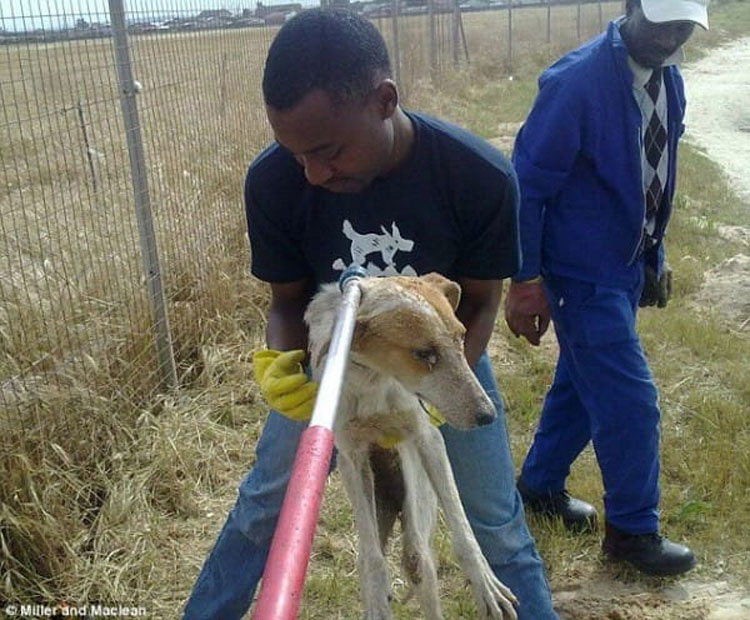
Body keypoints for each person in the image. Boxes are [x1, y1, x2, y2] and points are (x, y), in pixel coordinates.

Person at [183, 8, 558, 619]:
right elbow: (285, 300)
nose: (312, 172)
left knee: (494, 519)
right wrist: (285, 370)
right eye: (295, 153)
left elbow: (482, 299)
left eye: (327, 151)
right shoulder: (274, 182)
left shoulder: (478, 178)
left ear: (384, 100)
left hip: (437, 356)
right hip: (329, 366)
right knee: (263, 508)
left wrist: (436, 379)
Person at [505, 0, 708, 577]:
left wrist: (652, 256)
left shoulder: (670, 82)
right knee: (630, 404)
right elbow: (529, 185)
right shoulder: (576, 83)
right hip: (580, 276)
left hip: (622, 270)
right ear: (631, 7)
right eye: (663, 22)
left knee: (579, 383)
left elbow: (653, 175)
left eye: (684, 28)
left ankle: (539, 487)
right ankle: (632, 532)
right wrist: (524, 281)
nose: (672, 37)